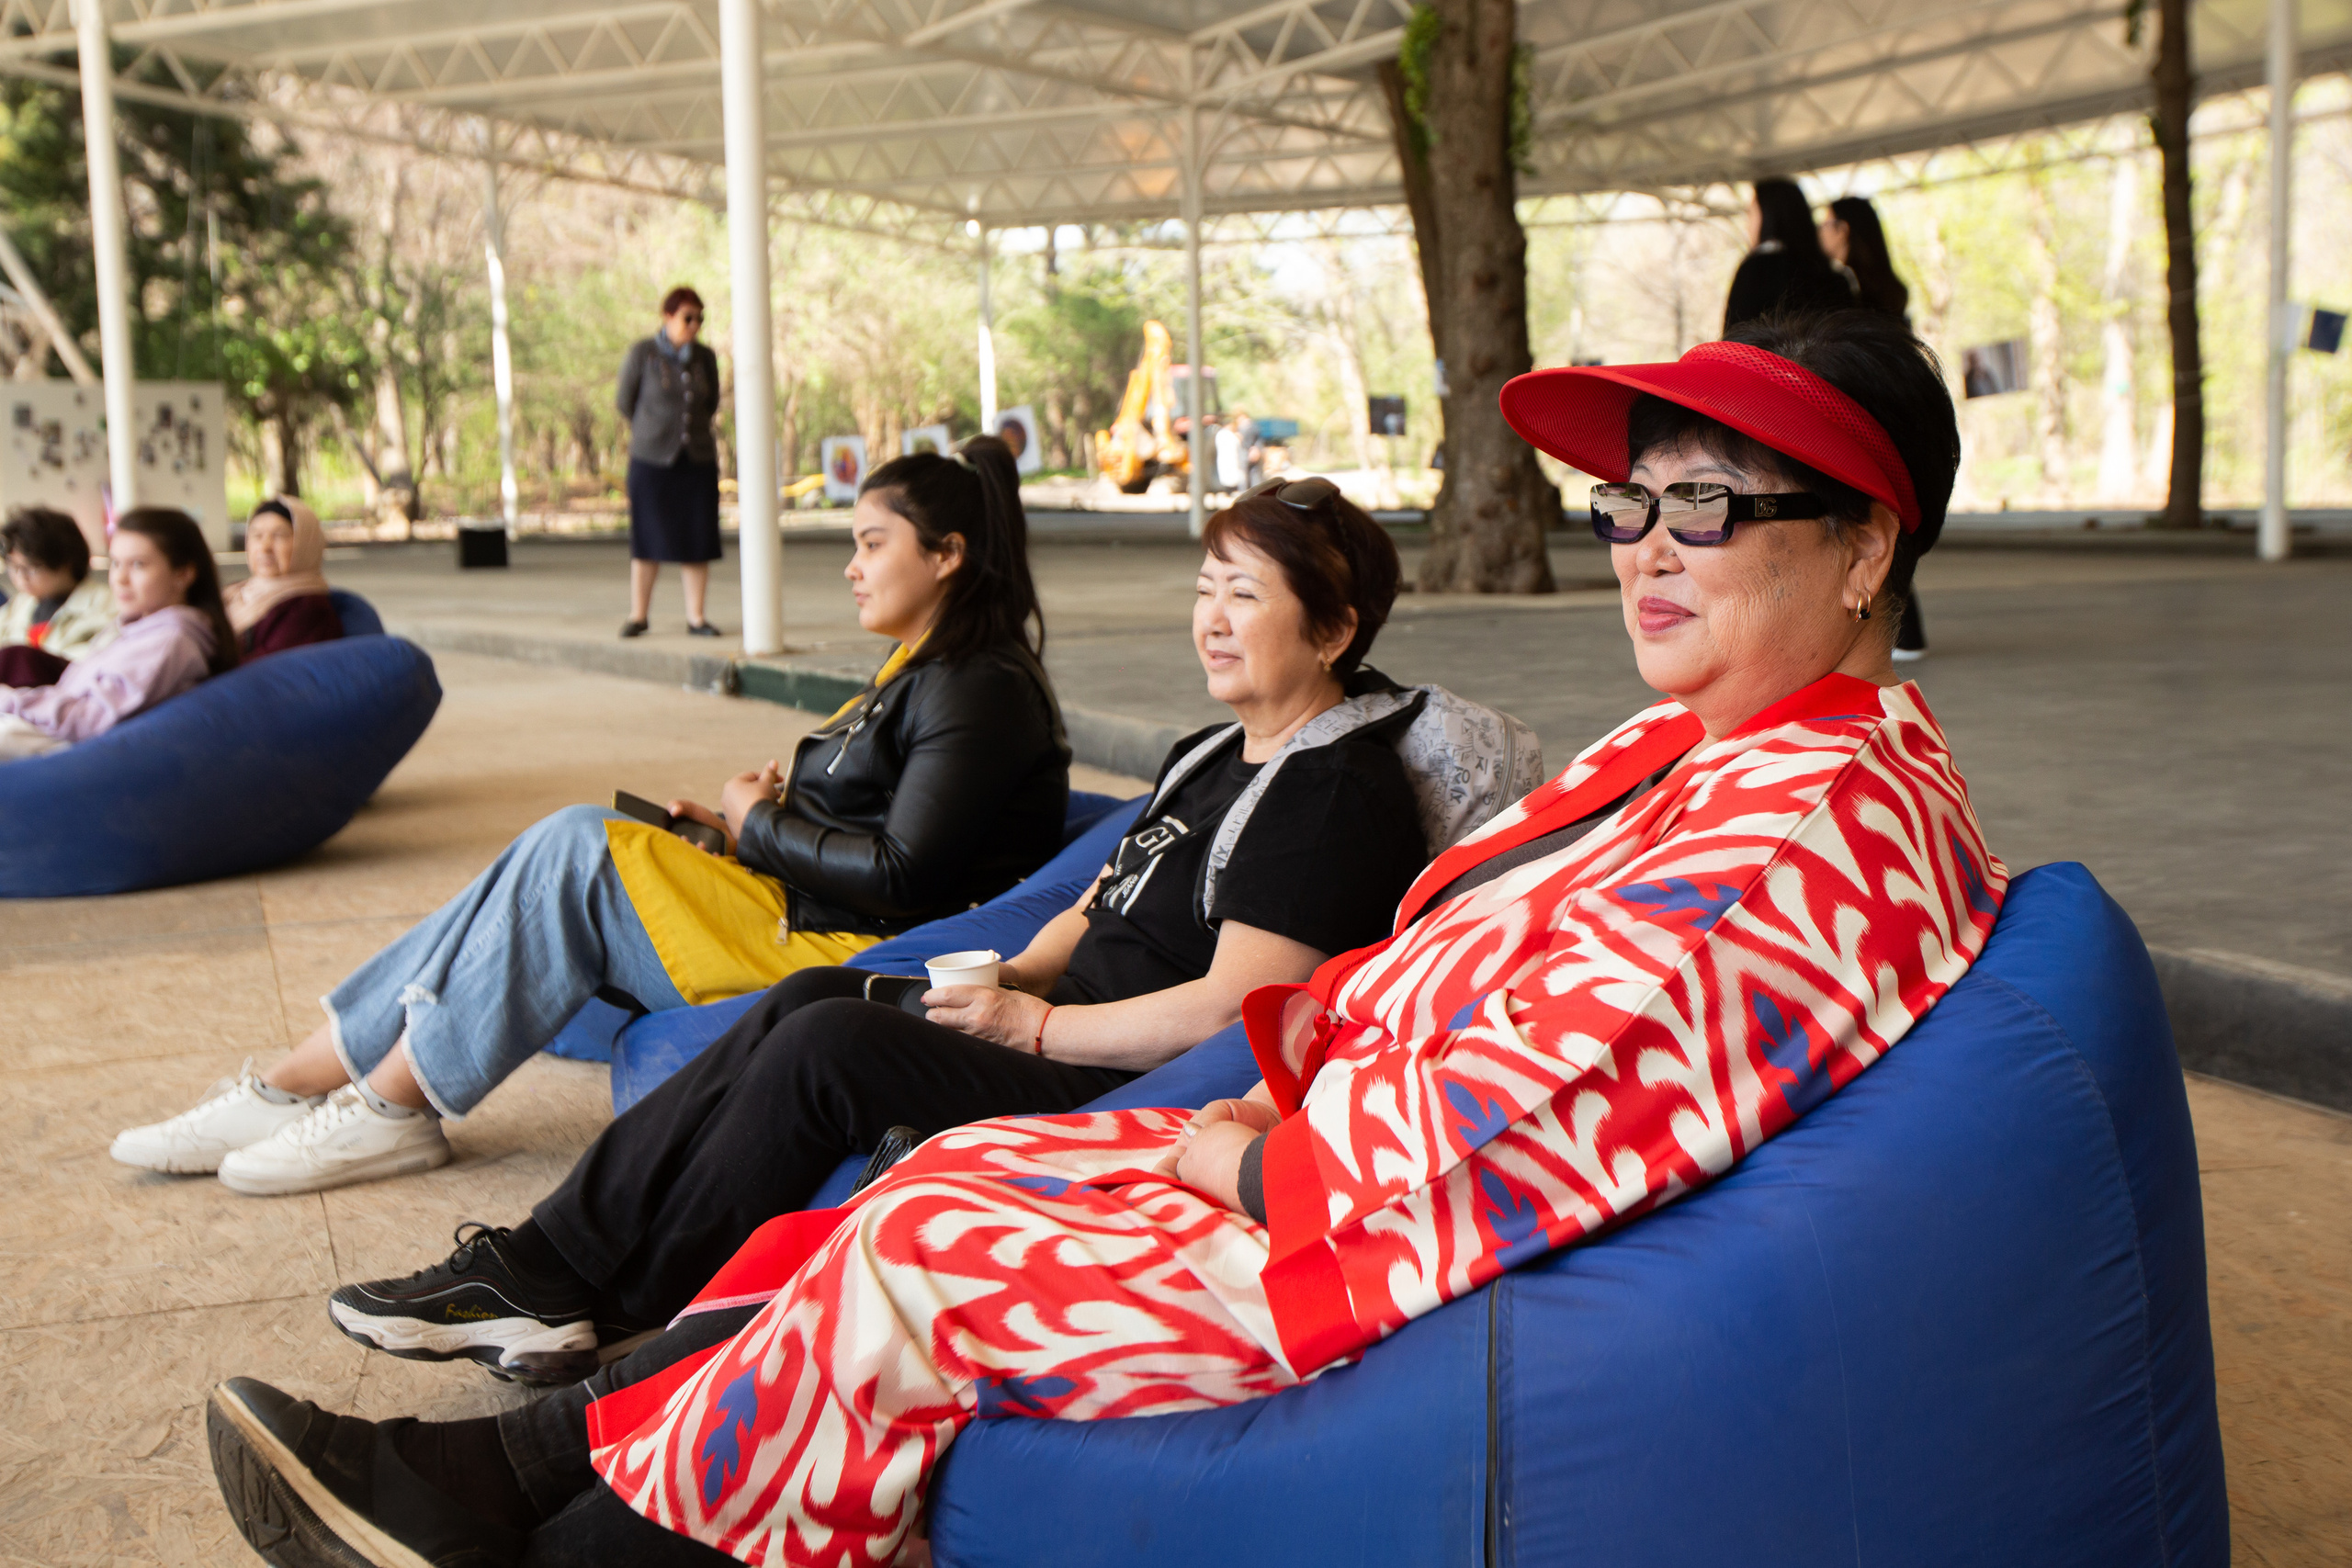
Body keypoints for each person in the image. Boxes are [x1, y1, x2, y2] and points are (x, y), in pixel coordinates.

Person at [204, 310, 2009, 1568]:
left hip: (1376, 1244)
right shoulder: (1703, 749)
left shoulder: (1809, 825)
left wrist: (1235, 1145)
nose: (1641, 547)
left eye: (1707, 503)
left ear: (1862, 547)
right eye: (1630, 499)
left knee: (920, 1239)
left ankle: (556, 1527)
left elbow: (1508, 1118)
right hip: (1334, 1154)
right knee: (896, 1193)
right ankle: (506, 1476)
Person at [317, 477, 1443, 1382]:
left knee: (826, 1048)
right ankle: (542, 1269)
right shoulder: (1208, 753)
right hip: (1052, 1024)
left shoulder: (1332, 791)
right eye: (1207, 586)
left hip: (1110, 1089)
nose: (1211, 618)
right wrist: (1004, 976)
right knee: (812, 1000)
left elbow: (1225, 1010)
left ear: (1336, 627)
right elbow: (1096, 907)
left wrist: (1033, 1032)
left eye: (1244, 595)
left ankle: (608, 1302)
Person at [113, 438, 1071, 1197]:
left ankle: (385, 1109)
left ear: (947, 555)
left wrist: (754, 818)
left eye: (871, 543)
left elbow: (905, 877)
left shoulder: (978, 686)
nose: (852, 568)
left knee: (574, 848)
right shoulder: (920, 670)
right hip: (791, 904)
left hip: (845, 951)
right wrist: (735, 828)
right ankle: (290, 1087)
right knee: (547, 855)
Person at [0, 508, 237, 761]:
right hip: (59, 735)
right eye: (115, 563)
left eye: (138, 564)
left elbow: (89, 720)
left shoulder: (168, 642)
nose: (120, 579)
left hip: (79, 756)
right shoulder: (139, 629)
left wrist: (10, 700)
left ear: (183, 574)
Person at [1821, 195, 1928, 662]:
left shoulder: (1842, 290)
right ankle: (1903, 633)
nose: (1821, 235)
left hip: (1858, 421)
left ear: (1844, 230)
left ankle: (1879, 633)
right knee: (1883, 530)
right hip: (1897, 419)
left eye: (1827, 225)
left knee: (1862, 534)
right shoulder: (1891, 290)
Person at [616, 286, 722, 638]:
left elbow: (711, 403)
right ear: (668, 316)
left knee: (697, 537)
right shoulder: (644, 354)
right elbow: (624, 401)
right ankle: (639, 615)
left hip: (697, 458)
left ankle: (697, 617)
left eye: (699, 319)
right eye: (687, 318)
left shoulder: (705, 357)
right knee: (648, 537)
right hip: (651, 460)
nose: (694, 325)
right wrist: (654, 430)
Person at [0, 506, 115, 687]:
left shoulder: (108, 605)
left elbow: (96, 665)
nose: (21, 577)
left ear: (67, 562)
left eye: (32, 567)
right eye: (14, 567)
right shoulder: (17, 607)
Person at [1723, 177, 1852, 333]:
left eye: (1751, 213)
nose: (1748, 224)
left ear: (1768, 215)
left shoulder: (1755, 271)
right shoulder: (1829, 274)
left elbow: (1734, 336)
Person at [226, 496, 343, 659]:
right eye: (257, 536)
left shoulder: (307, 608)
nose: (265, 547)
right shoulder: (235, 592)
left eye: (279, 535)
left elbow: (265, 672)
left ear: (306, 544)